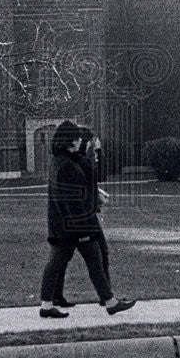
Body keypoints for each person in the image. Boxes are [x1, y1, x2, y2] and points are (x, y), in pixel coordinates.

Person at [39, 120, 135, 318]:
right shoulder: (66, 166)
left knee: (62, 261)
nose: (81, 141)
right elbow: (71, 200)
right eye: (78, 138)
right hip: (76, 224)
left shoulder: (66, 160)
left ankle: (48, 305)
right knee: (93, 261)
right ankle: (109, 302)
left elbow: (91, 173)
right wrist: (84, 226)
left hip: (67, 225)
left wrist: (93, 151)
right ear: (71, 141)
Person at [52, 126, 111, 306]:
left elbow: (100, 175)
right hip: (81, 217)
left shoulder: (83, 159)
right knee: (96, 255)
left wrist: (98, 152)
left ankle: (57, 296)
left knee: (63, 258)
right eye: (91, 140)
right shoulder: (76, 161)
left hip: (85, 214)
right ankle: (107, 298)